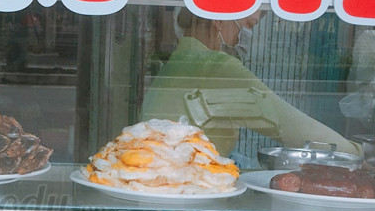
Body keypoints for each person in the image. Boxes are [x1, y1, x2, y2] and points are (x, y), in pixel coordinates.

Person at [142, 8, 361, 162]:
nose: (246, 35)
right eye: (248, 25)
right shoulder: (215, 67)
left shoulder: (179, 61)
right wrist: (354, 153)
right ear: (218, 19)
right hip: (189, 192)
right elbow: (285, 122)